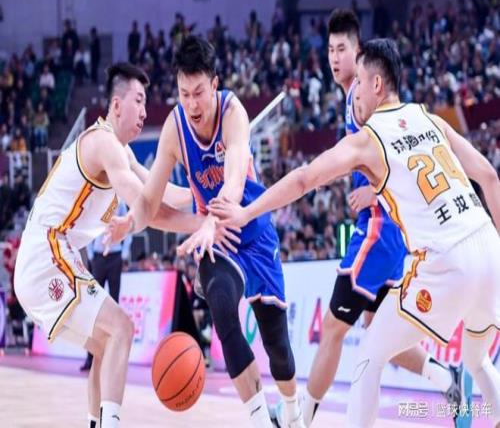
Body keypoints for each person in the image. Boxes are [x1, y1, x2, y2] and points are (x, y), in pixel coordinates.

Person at [207, 38, 500, 428]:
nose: (355, 93)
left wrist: (246, 211)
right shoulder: (431, 119)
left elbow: (305, 179)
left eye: (359, 82)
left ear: (376, 84)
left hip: (448, 260)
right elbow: (489, 177)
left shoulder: (368, 139)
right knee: (477, 360)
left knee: (370, 355)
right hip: (488, 244)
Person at [14, 62, 233, 428]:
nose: (145, 112)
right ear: (116, 105)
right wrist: (201, 224)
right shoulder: (104, 144)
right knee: (122, 329)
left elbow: (158, 190)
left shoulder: (121, 151)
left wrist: (205, 191)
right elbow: (145, 206)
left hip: (49, 256)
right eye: (139, 100)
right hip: (47, 254)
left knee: (106, 345)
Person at [106, 36, 305, 428]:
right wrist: (132, 221)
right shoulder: (174, 129)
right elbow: (151, 200)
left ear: (215, 84)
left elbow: (234, 179)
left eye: (199, 92)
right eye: (184, 94)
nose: (192, 104)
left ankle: (293, 412)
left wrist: (212, 219)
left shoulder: (234, 113)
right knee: (221, 307)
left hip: (251, 229)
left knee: (278, 348)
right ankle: (261, 421)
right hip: (219, 242)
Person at [279, 9, 463, 427]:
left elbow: (397, 153)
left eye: (342, 49)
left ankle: (299, 418)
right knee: (377, 328)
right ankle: (444, 375)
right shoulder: (352, 98)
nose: (334, 57)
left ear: (358, 53)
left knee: (332, 328)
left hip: (378, 230)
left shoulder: (365, 99)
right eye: (329, 50)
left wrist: (374, 190)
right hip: (387, 231)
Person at [80, 199, 132, 372]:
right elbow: (88, 228)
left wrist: (124, 253)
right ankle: (91, 357)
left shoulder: (121, 203)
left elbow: (128, 226)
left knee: (114, 306)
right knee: (94, 307)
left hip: (115, 256)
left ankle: (113, 358)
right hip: (98, 256)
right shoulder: (96, 199)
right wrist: (90, 255)